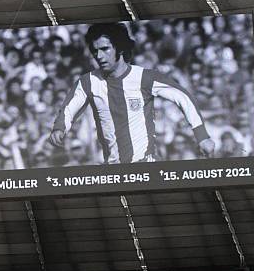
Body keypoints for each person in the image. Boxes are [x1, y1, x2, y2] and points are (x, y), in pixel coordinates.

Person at [49, 22, 216, 164]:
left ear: (120, 48)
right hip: (113, 168)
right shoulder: (89, 82)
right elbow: (69, 108)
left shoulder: (144, 77)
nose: (99, 56)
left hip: (146, 165)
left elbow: (183, 97)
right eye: (95, 51)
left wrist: (202, 136)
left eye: (105, 49)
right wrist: (60, 128)